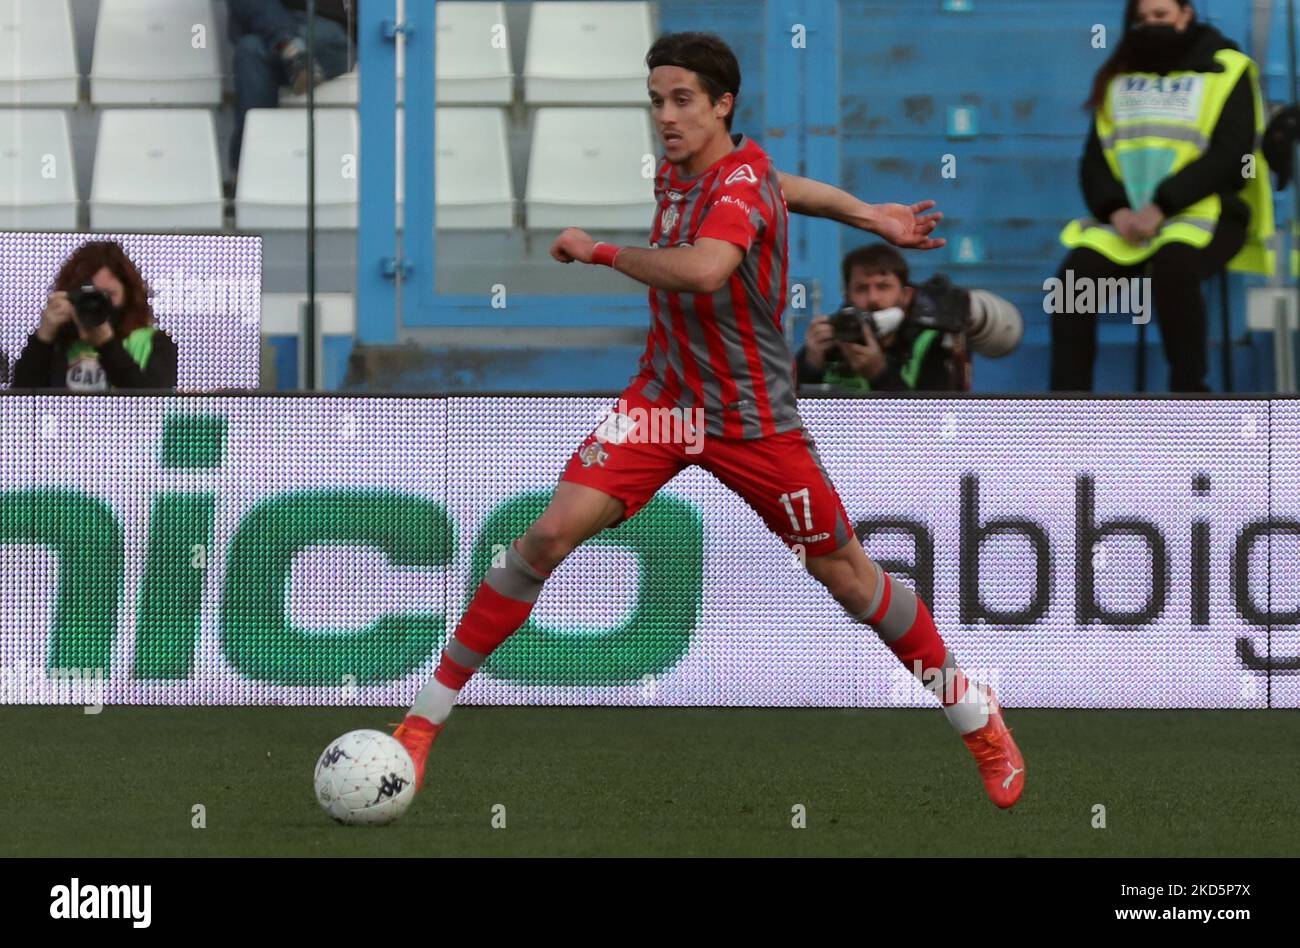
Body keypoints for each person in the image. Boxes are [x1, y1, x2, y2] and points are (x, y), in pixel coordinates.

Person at [388, 32, 1027, 809]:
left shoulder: (735, 183)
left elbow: (705, 269)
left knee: (848, 576)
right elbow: (786, 185)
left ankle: (975, 713)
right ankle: (422, 723)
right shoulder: (698, 168)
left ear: (723, 104)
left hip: (753, 419)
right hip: (661, 404)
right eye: (656, 100)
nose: (665, 115)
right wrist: (867, 213)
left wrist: (599, 251)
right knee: (547, 535)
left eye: (682, 99)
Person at [1052, 0, 1274, 391]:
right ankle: (1069, 407)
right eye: (1141, 19)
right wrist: (1115, 210)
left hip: (1207, 215)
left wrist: (1163, 205)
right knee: (1073, 284)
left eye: (1161, 15)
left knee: (1174, 270)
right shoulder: (1119, 77)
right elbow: (1094, 158)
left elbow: (1232, 154)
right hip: (1129, 222)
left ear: (1186, 14)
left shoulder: (1227, 69)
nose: (1151, 25)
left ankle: (1188, 399)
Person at [12, 241, 177, 390]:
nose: (97, 304)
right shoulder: (56, 344)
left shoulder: (153, 342)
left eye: (109, 295)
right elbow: (20, 403)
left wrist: (107, 345)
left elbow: (153, 405)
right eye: (90, 296)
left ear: (128, 295)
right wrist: (43, 338)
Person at [796, 244, 960, 392]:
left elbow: (932, 420)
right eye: (861, 289)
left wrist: (879, 374)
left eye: (883, 287)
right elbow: (783, 410)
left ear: (906, 295)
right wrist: (809, 366)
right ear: (847, 297)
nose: (873, 298)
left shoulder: (928, 341)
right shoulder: (831, 336)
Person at [226, 0, 358, 173]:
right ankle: (291, 48)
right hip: (265, 21)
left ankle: (246, 170)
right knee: (250, 50)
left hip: (325, 28)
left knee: (251, 50)